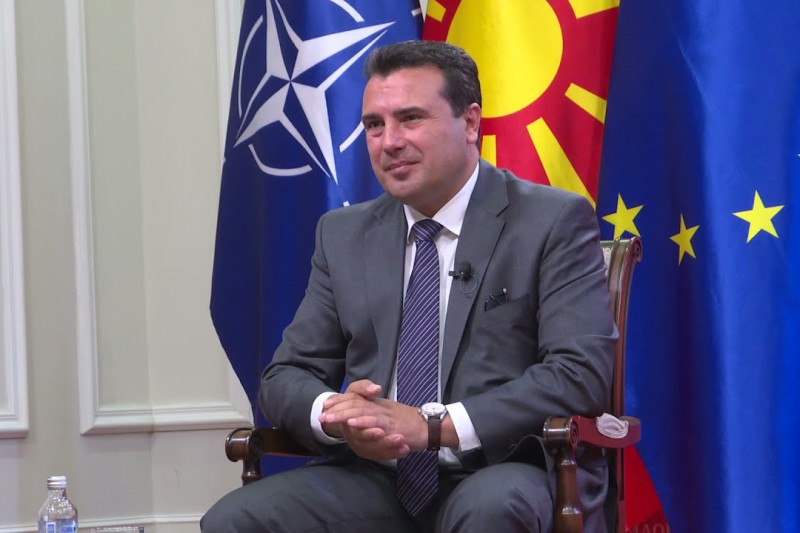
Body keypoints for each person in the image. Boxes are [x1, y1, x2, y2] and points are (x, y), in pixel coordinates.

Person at [202, 40, 616, 532]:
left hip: (502, 465)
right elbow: (285, 374)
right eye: (374, 125)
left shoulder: (551, 221)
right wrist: (338, 415)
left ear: (470, 123)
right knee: (235, 520)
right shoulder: (343, 234)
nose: (389, 142)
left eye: (410, 119)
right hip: (377, 477)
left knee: (492, 508)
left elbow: (579, 374)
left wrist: (433, 427)